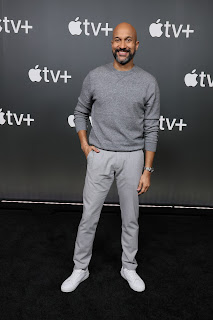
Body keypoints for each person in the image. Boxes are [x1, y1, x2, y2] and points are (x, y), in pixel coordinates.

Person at [61, 22, 160, 293]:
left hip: (132, 158)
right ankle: (80, 268)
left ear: (137, 45)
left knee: (130, 218)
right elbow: (80, 111)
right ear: (111, 44)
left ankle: (129, 267)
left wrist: (147, 169)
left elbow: (151, 128)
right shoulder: (94, 77)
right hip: (100, 155)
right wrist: (84, 145)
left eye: (128, 41)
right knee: (89, 216)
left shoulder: (148, 81)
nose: (122, 45)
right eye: (118, 40)